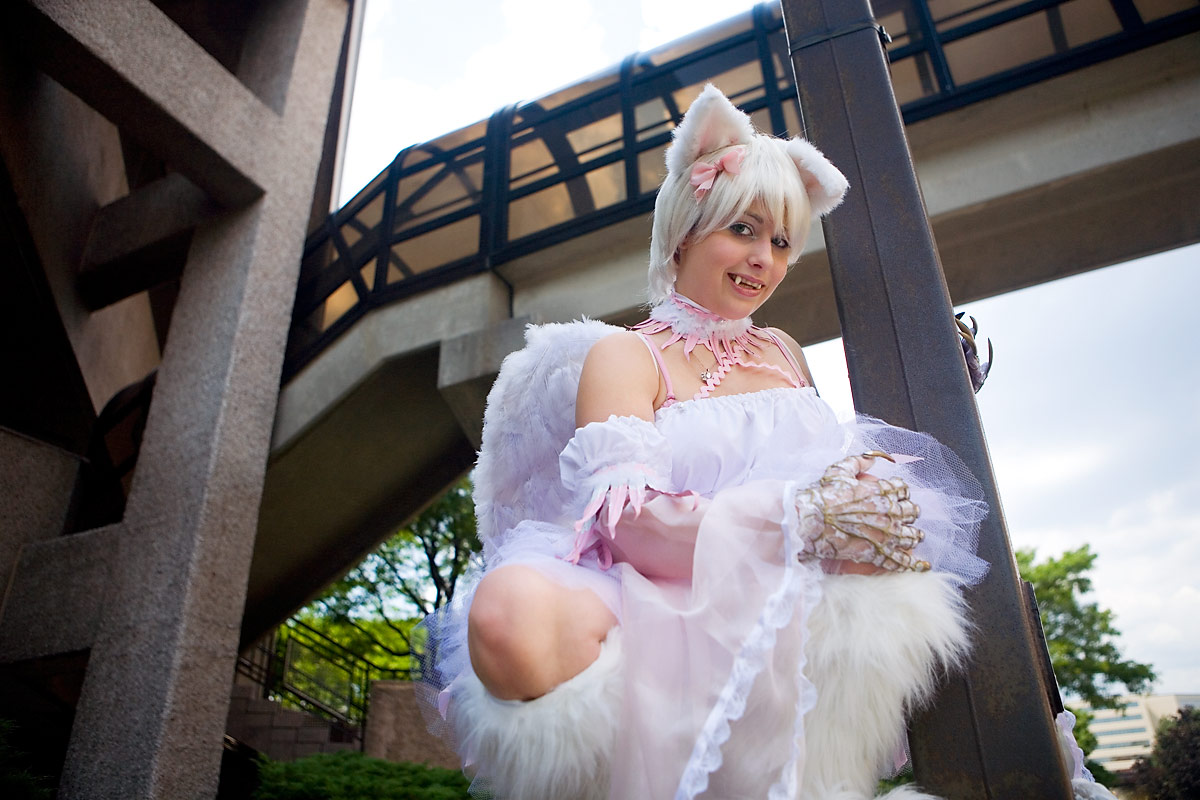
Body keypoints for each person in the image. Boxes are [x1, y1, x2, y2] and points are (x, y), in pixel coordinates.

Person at [420, 84, 991, 800]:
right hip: (657, 585)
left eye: (780, 242)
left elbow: (830, 466)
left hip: (804, 584)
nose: (763, 259)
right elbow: (626, 524)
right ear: (686, 229)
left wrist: (859, 492)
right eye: (743, 230)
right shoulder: (625, 357)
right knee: (509, 612)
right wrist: (795, 521)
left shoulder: (784, 351)